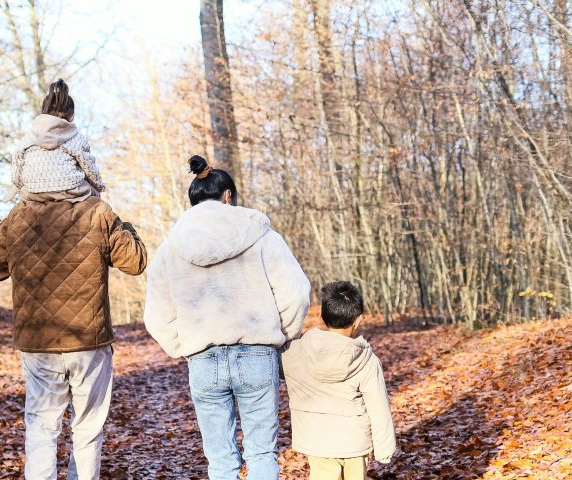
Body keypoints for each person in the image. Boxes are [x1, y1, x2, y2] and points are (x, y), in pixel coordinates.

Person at [143, 155, 312, 479]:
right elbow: (296, 292)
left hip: (203, 359)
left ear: (192, 201)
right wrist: (283, 334)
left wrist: (183, 345)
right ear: (227, 196)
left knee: (221, 462)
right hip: (257, 353)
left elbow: (156, 314)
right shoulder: (262, 236)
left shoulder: (171, 248)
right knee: (262, 455)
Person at [0, 175, 147, 478]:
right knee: (87, 427)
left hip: (38, 342)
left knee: (42, 426)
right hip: (89, 342)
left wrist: (10, 239)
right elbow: (135, 262)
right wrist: (126, 229)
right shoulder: (97, 211)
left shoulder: (18, 215)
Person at [282, 281, 398, 480]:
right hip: (354, 443)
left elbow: (275, 363)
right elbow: (379, 408)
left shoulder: (296, 352)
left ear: (320, 316)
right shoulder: (367, 360)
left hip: (316, 440)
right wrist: (384, 450)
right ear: (358, 320)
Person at [10, 78, 105, 203]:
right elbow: (89, 167)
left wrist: (18, 186)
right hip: (70, 190)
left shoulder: (27, 138)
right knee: (95, 195)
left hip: (33, 192)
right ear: (72, 116)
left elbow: (17, 166)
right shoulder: (77, 138)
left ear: (43, 113)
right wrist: (99, 186)